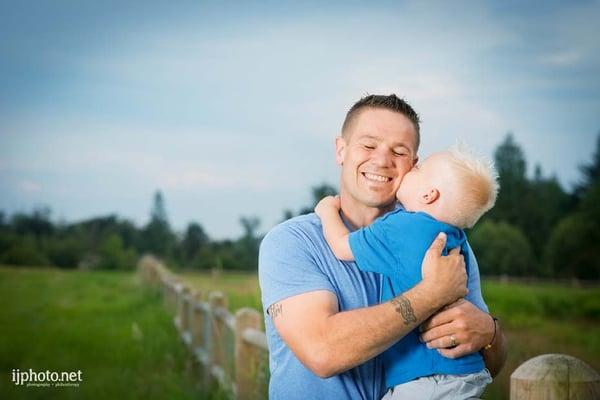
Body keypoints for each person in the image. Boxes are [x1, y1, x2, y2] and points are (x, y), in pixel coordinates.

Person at [258, 94, 507, 399]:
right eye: (369, 145)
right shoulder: (292, 242)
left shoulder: (444, 245)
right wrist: (430, 295)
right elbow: (322, 352)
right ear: (341, 149)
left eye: (399, 151)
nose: (382, 160)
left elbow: (487, 366)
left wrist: (489, 333)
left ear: (414, 165)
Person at [314, 146, 499, 399]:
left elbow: (341, 245)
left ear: (428, 194)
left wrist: (326, 210)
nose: (411, 169)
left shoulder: (401, 227)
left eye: (418, 169)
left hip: (428, 379)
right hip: (466, 371)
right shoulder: (456, 238)